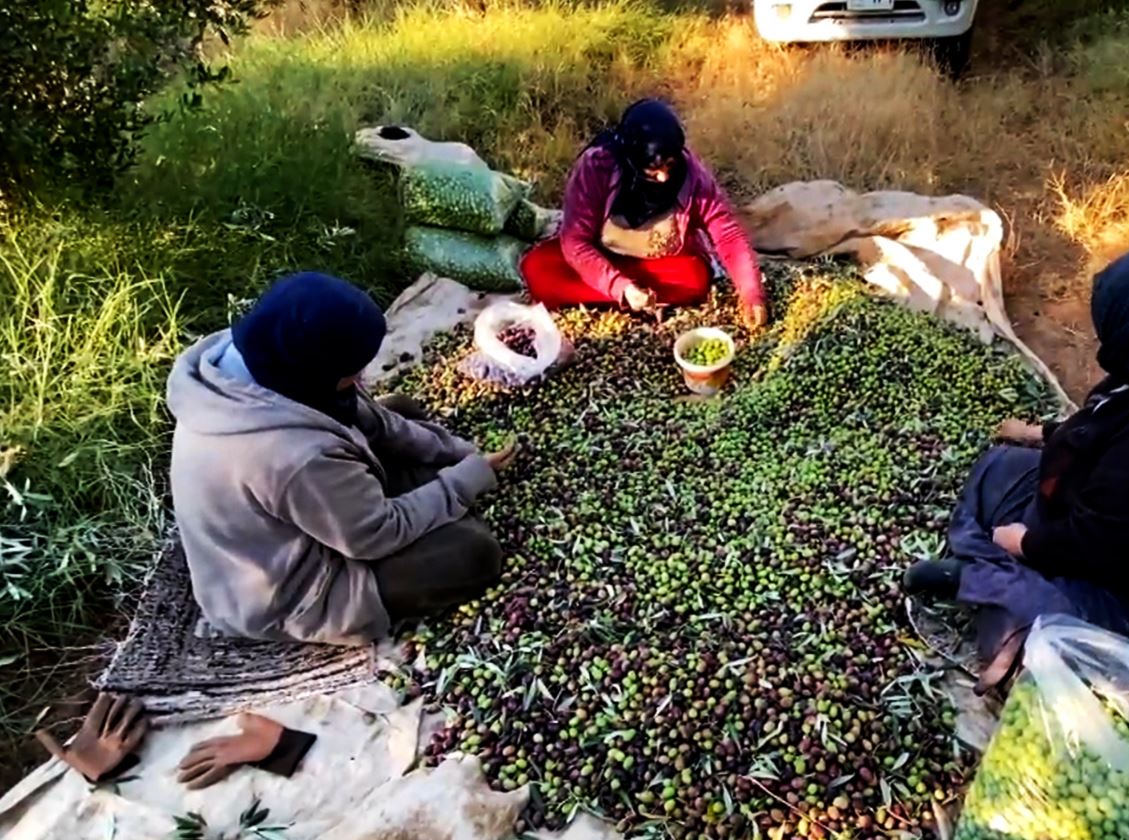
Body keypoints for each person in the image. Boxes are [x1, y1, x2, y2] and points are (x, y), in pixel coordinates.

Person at [904, 244, 1129, 689]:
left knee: (1032, 627)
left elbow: (1100, 544)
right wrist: (1043, 433)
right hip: (1123, 531)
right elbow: (1102, 425)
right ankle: (1001, 572)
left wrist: (1024, 543)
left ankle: (986, 578)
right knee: (1002, 467)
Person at [167, 272, 518, 646]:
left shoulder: (262, 354)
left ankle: (427, 498)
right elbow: (377, 534)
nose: (362, 377)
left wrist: (455, 450)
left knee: (400, 409)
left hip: (298, 514)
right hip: (286, 592)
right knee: (473, 554)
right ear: (317, 374)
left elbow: (373, 419)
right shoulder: (293, 456)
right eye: (353, 372)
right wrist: (462, 482)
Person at [520, 98, 767, 329]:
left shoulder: (693, 177)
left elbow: (728, 235)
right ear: (632, 160)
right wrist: (622, 287)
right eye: (653, 168)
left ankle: (630, 298)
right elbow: (575, 242)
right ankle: (630, 298)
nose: (663, 177)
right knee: (538, 269)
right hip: (602, 258)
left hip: (659, 264)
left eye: (670, 165)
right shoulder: (597, 167)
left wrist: (752, 294)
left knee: (695, 278)